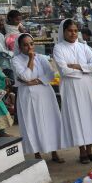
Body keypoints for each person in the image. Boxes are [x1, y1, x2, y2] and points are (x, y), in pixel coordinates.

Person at [53, 19, 92, 163]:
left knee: (89, 116)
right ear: (63, 32)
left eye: (75, 30)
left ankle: (90, 150)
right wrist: (84, 69)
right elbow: (64, 70)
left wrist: (78, 66)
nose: (73, 33)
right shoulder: (59, 48)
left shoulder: (84, 47)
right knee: (77, 117)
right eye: (70, 31)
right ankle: (82, 151)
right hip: (71, 87)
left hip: (87, 87)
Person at [12, 33, 65, 162]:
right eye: (25, 45)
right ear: (19, 47)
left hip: (45, 93)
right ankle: (37, 154)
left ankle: (54, 151)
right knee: (32, 123)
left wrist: (36, 81)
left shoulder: (41, 58)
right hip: (27, 96)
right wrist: (30, 59)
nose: (29, 47)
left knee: (49, 121)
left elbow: (51, 75)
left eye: (31, 44)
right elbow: (25, 77)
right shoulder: (16, 60)